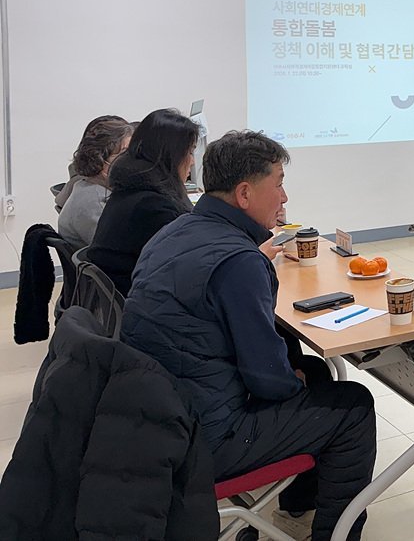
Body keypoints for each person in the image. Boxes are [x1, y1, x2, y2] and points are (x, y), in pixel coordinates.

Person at [122, 131, 376, 541]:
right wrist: (290, 381)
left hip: (153, 420)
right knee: (353, 406)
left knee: (313, 370)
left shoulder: (174, 231)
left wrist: (295, 376)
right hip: (204, 439)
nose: (284, 197)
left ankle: (297, 508)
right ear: (244, 193)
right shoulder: (238, 260)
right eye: (278, 184)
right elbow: (267, 379)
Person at [88, 108, 200, 296]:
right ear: (171, 156)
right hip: (141, 301)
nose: (192, 161)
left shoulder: (131, 189)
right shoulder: (154, 208)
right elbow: (187, 271)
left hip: (125, 296)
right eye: (189, 152)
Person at [57, 115, 133, 245]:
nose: (132, 160)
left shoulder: (91, 187)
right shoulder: (93, 203)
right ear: (100, 159)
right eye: (124, 154)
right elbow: (120, 248)